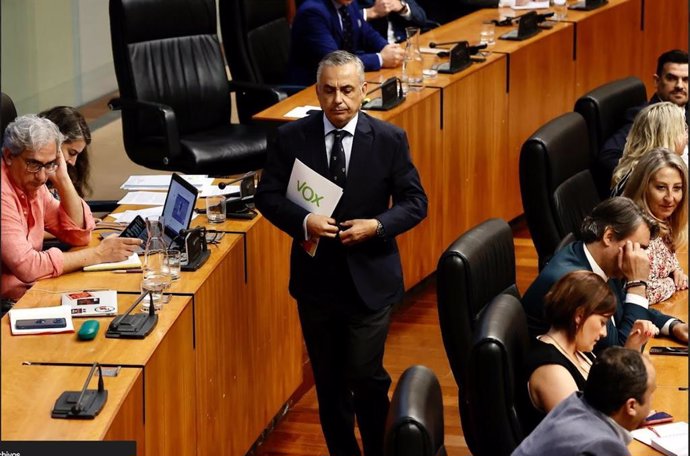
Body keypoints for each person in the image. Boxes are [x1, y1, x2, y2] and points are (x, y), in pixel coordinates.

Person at [255, 51, 427, 456]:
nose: (339, 100)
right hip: (317, 285)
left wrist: (378, 225)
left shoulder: (389, 140)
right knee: (330, 386)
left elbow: (415, 202)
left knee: (365, 377)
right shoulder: (292, 138)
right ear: (317, 91)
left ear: (364, 91)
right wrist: (303, 222)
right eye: (329, 90)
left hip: (371, 281)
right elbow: (268, 195)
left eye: (348, 90)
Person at [1, 115, 141, 309]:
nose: (42, 177)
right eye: (33, 164)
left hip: (34, 289)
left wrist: (62, 177)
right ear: (9, 156)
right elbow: (28, 267)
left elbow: (78, 234)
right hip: (9, 304)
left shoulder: (33, 182)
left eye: (49, 164)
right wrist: (99, 254)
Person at [521, 197, 688, 349]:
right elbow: (619, 353)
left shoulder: (596, 259)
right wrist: (637, 284)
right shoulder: (575, 282)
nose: (642, 257)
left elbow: (623, 306)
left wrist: (673, 326)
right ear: (608, 236)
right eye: (638, 248)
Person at [522, 271, 655, 434]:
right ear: (579, 316)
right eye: (602, 322)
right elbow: (582, 435)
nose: (604, 332)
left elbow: (608, 394)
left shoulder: (576, 349)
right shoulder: (551, 371)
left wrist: (632, 348)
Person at [513, 347, 657, 456]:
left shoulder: (573, 403)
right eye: (651, 394)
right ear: (631, 406)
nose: (652, 400)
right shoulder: (603, 446)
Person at [599, 49, 688, 187]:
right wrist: (652, 177)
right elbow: (609, 156)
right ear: (657, 81)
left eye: (686, 80)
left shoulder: (686, 110)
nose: (679, 86)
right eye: (671, 78)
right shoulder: (644, 116)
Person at [623, 148, 688, 303]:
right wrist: (672, 282)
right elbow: (641, 293)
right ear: (643, 187)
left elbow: (666, 258)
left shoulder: (664, 217)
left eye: (677, 188)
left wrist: (676, 270)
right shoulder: (635, 230)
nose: (670, 198)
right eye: (661, 187)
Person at [288, 0, 405, 86]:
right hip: (314, 86)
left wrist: (388, 48)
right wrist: (380, 59)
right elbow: (334, 60)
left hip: (346, 80)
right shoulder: (313, 12)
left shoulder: (348, 3)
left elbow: (367, 32)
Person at [610, 101, 687, 196]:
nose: (686, 136)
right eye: (683, 130)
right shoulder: (648, 179)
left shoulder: (642, 168)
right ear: (668, 136)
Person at [38, 106, 92, 198]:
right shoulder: (33, 175)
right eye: (71, 152)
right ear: (54, 140)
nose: (73, 162)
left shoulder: (69, 170)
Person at [359, 0, 429, 43]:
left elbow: (422, 20)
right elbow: (349, 19)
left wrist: (403, 8)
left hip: (405, 43)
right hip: (374, 50)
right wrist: (371, 12)